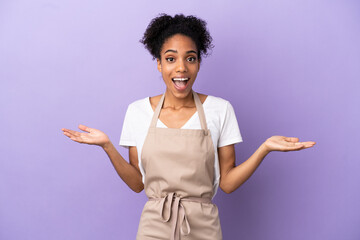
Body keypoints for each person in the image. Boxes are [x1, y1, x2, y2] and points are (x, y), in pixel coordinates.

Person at [62, 13, 316, 240]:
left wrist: (264, 149)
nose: (181, 67)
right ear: (159, 64)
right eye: (170, 59)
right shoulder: (137, 111)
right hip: (154, 224)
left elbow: (227, 183)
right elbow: (138, 183)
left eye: (190, 58)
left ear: (198, 63)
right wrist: (107, 146)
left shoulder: (220, 109)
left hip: (204, 225)